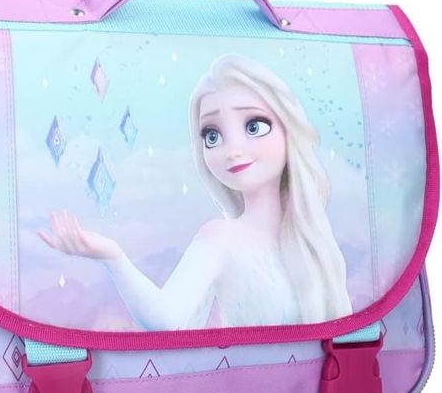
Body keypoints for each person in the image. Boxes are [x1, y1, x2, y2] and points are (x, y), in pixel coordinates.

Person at [38, 53, 353, 330]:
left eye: (254, 126)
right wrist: (113, 256)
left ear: (289, 127)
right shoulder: (220, 238)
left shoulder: (313, 239)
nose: (233, 150)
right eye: (212, 135)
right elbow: (166, 321)